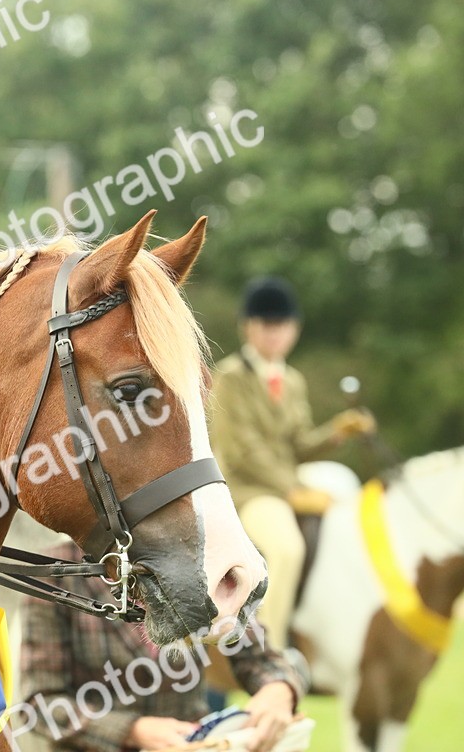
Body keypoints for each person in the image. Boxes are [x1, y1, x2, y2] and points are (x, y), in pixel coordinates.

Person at [208, 276, 375, 650]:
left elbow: (298, 445)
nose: (275, 333)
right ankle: (269, 648)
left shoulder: (293, 380)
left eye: (282, 325)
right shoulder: (230, 377)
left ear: (294, 329)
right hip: (248, 491)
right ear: (248, 327)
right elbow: (242, 451)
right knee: (287, 549)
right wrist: (292, 491)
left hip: (286, 486)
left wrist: (338, 431)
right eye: (267, 325)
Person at [19, 541, 305, 752]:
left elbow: (260, 658)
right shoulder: (55, 574)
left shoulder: (202, 560)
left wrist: (278, 689)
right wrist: (133, 731)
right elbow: (40, 705)